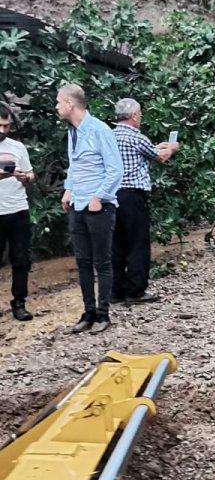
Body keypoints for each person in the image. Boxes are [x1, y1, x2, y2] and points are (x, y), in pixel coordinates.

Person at [58, 83, 123, 335]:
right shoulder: (73, 131)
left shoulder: (100, 130)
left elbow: (115, 169)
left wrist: (100, 196)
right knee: (83, 261)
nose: (56, 107)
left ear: (70, 104)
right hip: (78, 205)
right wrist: (69, 188)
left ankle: (103, 314)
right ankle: (88, 312)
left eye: (58, 102)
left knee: (102, 262)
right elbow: (75, 166)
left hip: (99, 207)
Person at [112, 98, 179, 304]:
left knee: (116, 244)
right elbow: (161, 157)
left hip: (112, 195)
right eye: (139, 114)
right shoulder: (136, 136)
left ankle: (115, 290)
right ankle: (136, 290)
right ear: (133, 116)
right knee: (137, 243)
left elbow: (147, 150)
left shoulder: (110, 135)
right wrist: (173, 148)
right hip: (133, 196)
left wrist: (154, 147)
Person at [0, 103, 35, 321]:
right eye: (0, 125)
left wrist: (25, 177)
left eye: (7, 126)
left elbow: (31, 174)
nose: (3, 130)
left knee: (21, 259)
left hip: (18, 209)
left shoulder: (18, 147)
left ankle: (19, 302)